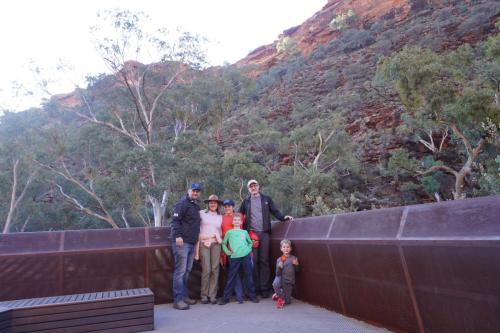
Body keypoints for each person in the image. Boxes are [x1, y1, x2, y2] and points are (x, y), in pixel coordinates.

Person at [239, 179, 293, 298]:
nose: (253, 188)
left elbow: (275, 211)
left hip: (264, 234)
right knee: (254, 261)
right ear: (248, 189)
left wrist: (284, 217)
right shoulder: (246, 202)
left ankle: (265, 289)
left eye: (255, 185)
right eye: (251, 186)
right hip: (251, 235)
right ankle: (256, 288)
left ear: (258, 187)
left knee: (264, 260)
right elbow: (239, 216)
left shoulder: (266, 199)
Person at [171, 183, 203, 310]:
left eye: (197, 191)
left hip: (191, 242)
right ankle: (177, 300)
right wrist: (178, 235)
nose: (195, 193)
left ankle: (184, 297)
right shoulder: (181, 204)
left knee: (186, 271)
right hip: (181, 242)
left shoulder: (195, 205)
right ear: (189, 190)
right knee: (180, 272)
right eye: (193, 190)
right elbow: (175, 221)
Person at [218, 214, 259, 305]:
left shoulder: (244, 232)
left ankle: (253, 296)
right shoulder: (229, 232)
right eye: (235, 220)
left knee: (248, 276)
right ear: (233, 222)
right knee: (231, 277)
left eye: (238, 220)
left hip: (245, 256)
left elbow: (250, 242)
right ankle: (225, 298)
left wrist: (248, 249)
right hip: (234, 257)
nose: (237, 221)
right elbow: (224, 244)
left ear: (241, 222)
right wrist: (228, 252)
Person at [196, 194, 223, 305]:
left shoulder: (220, 216)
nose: (212, 204)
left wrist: (216, 238)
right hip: (204, 243)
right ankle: (204, 295)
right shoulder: (201, 213)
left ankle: (212, 295)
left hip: (216, 244)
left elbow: (221, 232)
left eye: (215, 202)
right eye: (211, 202)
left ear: (218, 204)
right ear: (208, 203)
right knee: (206, 269)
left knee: (215, 269)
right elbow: (196, 228)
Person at [220, 199, 244, 301]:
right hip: (226, 248)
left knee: (237, 272)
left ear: (233, 207)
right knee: (231, 271)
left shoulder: (239, 216)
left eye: (229, 206)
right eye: (225, 206)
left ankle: (238, 296)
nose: (227, 208)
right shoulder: (221, 218)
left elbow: (243, 231)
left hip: (238, 248)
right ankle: (235, 295)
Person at [272, 239, 300, 307]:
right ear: (281, 249)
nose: (286, 249)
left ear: (290, 248)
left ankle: (278, 294)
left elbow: (297, 271)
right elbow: (277, 274)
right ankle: (280, 295)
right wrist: (279, 267)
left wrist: (296, 265)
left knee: (287, 302)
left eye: (287, 247)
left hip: (289, 281)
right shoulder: (279, 259)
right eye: (284, 247)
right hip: (280, 278)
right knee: (275, 284)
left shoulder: (294, 258)